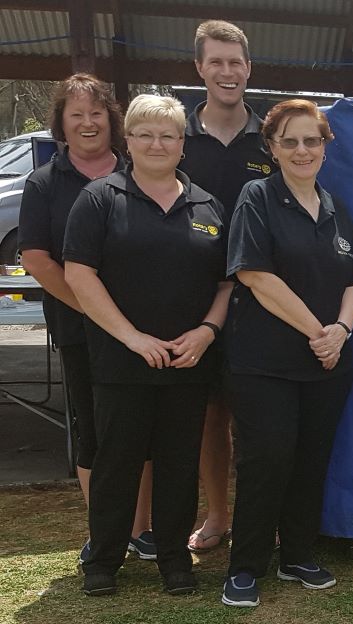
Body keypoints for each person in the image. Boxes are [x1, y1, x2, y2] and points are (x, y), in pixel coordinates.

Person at [64, 94, 231, 597]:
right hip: (121, 362)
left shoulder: (206, 205)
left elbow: (227, 282)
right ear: (129, 140)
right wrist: (132, 337)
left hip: (188, 362)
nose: (158, 144)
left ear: (183, 145)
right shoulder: (99, 198)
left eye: (170, 135)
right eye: (146, 134)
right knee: (118, 460)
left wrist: (207, 331)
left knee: (180, 462)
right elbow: (79, 274)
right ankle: (105, 559)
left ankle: (176, 560)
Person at [222, 99, 353, 608]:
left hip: (328, 364)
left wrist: (342, 331)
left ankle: (297, 554)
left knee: (311, 460)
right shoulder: (256, 198)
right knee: (268, 460)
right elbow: (255, 275)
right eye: (291, 141)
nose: (303, 150)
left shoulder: (335, 205)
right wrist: (318, 332)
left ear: (326, 146)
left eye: (312, 140)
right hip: (267, 364)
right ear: (273, 148)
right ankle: (246, 566)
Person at [18, 74, 159, 566]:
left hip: (143, 333)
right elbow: (36, 257)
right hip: (81, 331)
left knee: (138, 430)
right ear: (61, 122)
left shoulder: (139, 172)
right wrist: (94, 311)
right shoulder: (44, 183)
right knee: (94, 432)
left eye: (96, 113)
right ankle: (106, 532)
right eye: (76, 114)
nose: (87, 123)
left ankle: (141, 531)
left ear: (111, 120)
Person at [180, 19, 271, 554]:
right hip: (194, 298)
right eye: (216, 61)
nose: (227, 72)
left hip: (260, 298)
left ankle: (266, 514)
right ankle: (217, 515)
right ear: (199, 68)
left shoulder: (270, 136)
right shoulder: (178, 135)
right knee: (210, 416)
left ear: (248, 68)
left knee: (259, 415)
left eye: (235, 62)